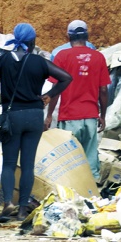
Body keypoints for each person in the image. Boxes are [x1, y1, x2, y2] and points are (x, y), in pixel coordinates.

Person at [0, 23, 72, 221]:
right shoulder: (40, 62)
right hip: (34, 116)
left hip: (12, 115)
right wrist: (49, 95)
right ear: (32, 42)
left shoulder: (4, 59)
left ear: (15, 40)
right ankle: (23, 210)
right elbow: (66, 77)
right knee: (28, 165)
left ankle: (8, 203)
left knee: (9, 164)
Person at [45, 20, 110, 182]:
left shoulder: (61, 57)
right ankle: (93, 196)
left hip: (68, 118)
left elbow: (56, 91)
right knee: (90, 161)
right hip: (90, 118)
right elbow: (103, 90)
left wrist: (49, 115)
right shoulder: (98, 57)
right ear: (87, 36)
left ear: (68, 37)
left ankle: (72, 197)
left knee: (70, 163)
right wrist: (103, 115)